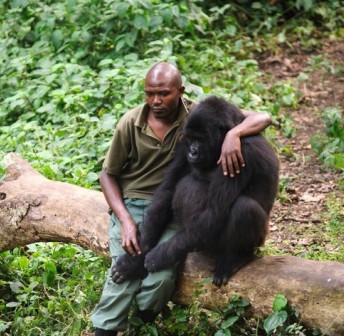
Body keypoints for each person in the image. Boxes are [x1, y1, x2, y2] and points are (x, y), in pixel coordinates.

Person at [90, 62, 272, 335]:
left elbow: (215, 213)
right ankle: (107, 327)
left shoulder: (237, 151)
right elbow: (166, 189)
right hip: (166, 214)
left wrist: (166, 251)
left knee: (242, 210)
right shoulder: (175, 127)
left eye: (163, 93)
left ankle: (236, 257)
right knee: (132, 263)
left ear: (179, 92)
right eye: (149, 94)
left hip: (235, 229)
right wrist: (145, 244)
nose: (193, 150)